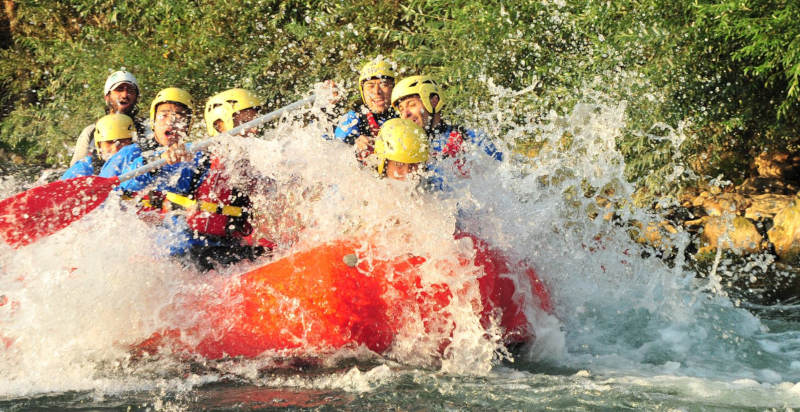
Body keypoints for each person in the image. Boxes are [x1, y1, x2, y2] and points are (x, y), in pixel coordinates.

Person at [159, 88, 273, 271]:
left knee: (271, 253)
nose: (254, 129)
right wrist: (170, 158)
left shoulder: (255, 162)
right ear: (220, 125)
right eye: (246, 122)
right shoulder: (198, 158)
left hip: (229, 244)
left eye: (255, 121)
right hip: (191, 248)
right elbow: (164, 179)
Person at [390, 75, 503, 163]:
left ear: (434, 101)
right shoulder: (403, 149)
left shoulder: (471, 138)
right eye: (401, 109)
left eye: (412, 104)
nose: (405, 114)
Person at [70, 70, 154, 166]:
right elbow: (76, 172)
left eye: (130, 91)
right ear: (107, 97)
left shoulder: (146, 128)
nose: (124, 95)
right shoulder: (91, 132)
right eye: (119, 89)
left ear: (136, 98)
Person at [333, 57, 399, 161]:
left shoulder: (403, 115)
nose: (377, 91)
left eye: (384, 84)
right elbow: (336, 143)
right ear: (363, 92)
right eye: (370, 86)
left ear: (393, 89)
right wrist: (355, 142)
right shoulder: (354, 117)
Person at [60, 113, 139, 180]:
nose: (115, 148)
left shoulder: (141, 163)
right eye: (109, 142)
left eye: (122, 141)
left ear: (132, 142)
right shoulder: (83, 169)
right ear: (99, 145)